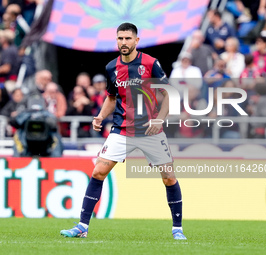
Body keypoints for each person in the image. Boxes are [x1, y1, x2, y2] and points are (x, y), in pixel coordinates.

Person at [60, 23, 186, 240]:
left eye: (128, 38)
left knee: (168, 177)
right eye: (120, 38)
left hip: (150, 131)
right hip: (122, 130)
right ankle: (82, 226)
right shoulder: (111, 67)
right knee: (98, 172)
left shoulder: (150, 63)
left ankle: (177, 229)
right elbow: (111, 97)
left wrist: (159, 118)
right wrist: (100, 116)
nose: (124, 42)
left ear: (136, 41)